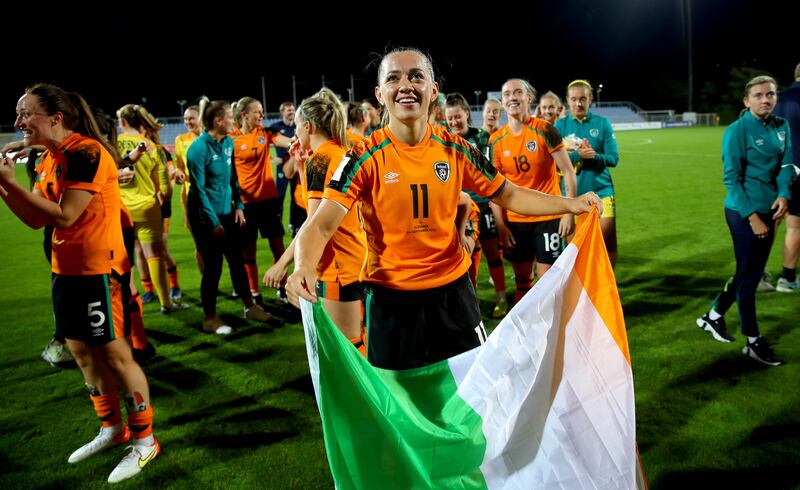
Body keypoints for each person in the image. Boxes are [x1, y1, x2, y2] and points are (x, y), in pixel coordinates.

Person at [285, 48, 601, 370]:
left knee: (474, 397)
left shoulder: (456, 148)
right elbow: (321, 223)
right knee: (400, 407)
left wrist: (570, 204)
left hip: (454, 295)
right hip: (392, 301)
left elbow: (510, 195)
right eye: (394, 78)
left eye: (417, 76)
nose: (406, 85)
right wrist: (304, 265)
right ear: (380, 94)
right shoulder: (362, 158)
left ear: (433, 91)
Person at [0, 83, 159, 482]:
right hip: (65, 268)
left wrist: (11, 184)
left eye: (26, 113)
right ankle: (111, 428)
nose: (18, 122)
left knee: (115, 355)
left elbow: (66, 215)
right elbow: (38, 218)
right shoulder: (49, 158)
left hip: (97, 271)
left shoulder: (87, 152)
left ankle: (144, 441)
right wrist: (5, 185)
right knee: (80, 351)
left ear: (56, 118)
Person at [696, 75, 793, 366]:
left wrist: (785, 194)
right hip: (742, 212)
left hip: (770, 209)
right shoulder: (737, 131)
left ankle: (712, 317)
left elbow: (787, 164)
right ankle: (753, 341)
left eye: (771, 94)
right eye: (760, 95)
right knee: (750, 279)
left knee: (748, 271)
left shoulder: (781, 125)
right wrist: (753, 218)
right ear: (746, 101)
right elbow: (731, 180)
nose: (766, 99)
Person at [264, 88, 368, 354]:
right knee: (363, 342)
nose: (295, 134)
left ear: (308, 126)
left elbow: (313, 224)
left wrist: (282, 264)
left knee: (346, 353)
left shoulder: (321, 159)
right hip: (360, 259)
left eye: (297, 127)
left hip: (337, 267)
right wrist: (301, 166)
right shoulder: (343, 150)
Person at [186, 97, 271, 335]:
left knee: (237, 261)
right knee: (213, 268)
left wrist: (239, 206)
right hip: (205, 216)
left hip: (227, 213)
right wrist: (213, 222)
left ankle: (249, 306)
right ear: (217, 120)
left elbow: (233, 178)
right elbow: (199, 190)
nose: (234, 121)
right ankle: (210, 318)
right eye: (230, 117)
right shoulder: (198, 150)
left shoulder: (227, 144)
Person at [490, 79, 578, 304]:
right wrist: (500, 225)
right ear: (503, 102)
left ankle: (552, 333)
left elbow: (568, 171)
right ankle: (526, 332)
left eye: (518, 92)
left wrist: (568, 211)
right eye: (507, 94)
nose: (513, 97)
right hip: (515, 220)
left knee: (549, 281)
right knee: (522, 281)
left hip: (548, 217)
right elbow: (494, 189)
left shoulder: (545, 130)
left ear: (529, 98)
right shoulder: (496, 140)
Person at [444, 92, 508, 317]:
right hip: (458, 207)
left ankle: (501, 297)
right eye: (449, 118)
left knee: (492, 253)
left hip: (481, 203)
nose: (453, 122)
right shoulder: (443, 139)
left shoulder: (481, 137)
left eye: (457, 117)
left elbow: (488, 173)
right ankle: (470, 300)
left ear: (467, 115)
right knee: (463, 256)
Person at [232, 97, 292, 305]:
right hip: (245, 204)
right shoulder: (232, 140)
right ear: (244, 115)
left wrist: (296, 141)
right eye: (257, 112)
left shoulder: (265, 133)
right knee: (249, 252)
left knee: (278, 247)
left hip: (268, 201)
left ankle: (282, 289)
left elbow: (285, 141)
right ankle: (254, 292)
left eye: (262, 111)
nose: (262, 115)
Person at [555, 80, 620, 267]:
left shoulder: (602, 123)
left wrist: (593, 156)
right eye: (574, 99)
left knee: (607, 247)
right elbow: (555, 164)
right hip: (571, 197)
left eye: (583, 99)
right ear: (567, 100)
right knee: (574, 250)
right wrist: (577, 155)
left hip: (602, 193)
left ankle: (606, 287)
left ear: (590, 99)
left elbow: (613, 158)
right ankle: (580, 290)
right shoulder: (560, 126)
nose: (578, 103)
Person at [773, 62, 800, 292]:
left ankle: (757, 276)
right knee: (795, 224)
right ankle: (787, 279)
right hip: (797, 169)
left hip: (768, 170)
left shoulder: (773, 98)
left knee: (769, 222)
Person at [270, 101, 300, 228]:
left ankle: (293, 223)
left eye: (293, 110)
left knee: (295, 196)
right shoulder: (275, 127)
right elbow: (263, 144)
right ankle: (278, 223)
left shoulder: (298, 127)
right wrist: (271, 158)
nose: (291, 112)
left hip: (296, 167)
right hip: (282, 167)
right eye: (288, 110)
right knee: (280, 196)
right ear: (282, 112)